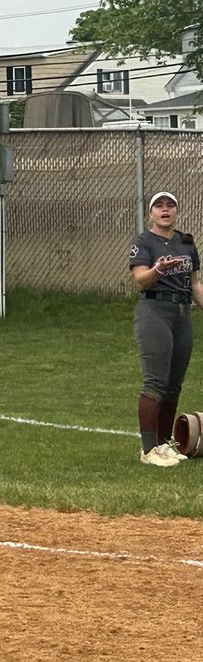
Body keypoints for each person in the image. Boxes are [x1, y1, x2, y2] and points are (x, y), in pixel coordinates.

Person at [129, 191, 203, 467]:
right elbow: (140, 280)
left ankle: (163, 444)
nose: (164, 210)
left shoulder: (186, 242)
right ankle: (148, 450)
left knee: (174, 384)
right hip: (154, 311)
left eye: (170, 205)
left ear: (176, 212)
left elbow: (195, 285)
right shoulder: (143, 242)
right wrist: (158, 269)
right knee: (155, 381)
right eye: (158, 206)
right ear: (151, 213)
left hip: (182, 314)